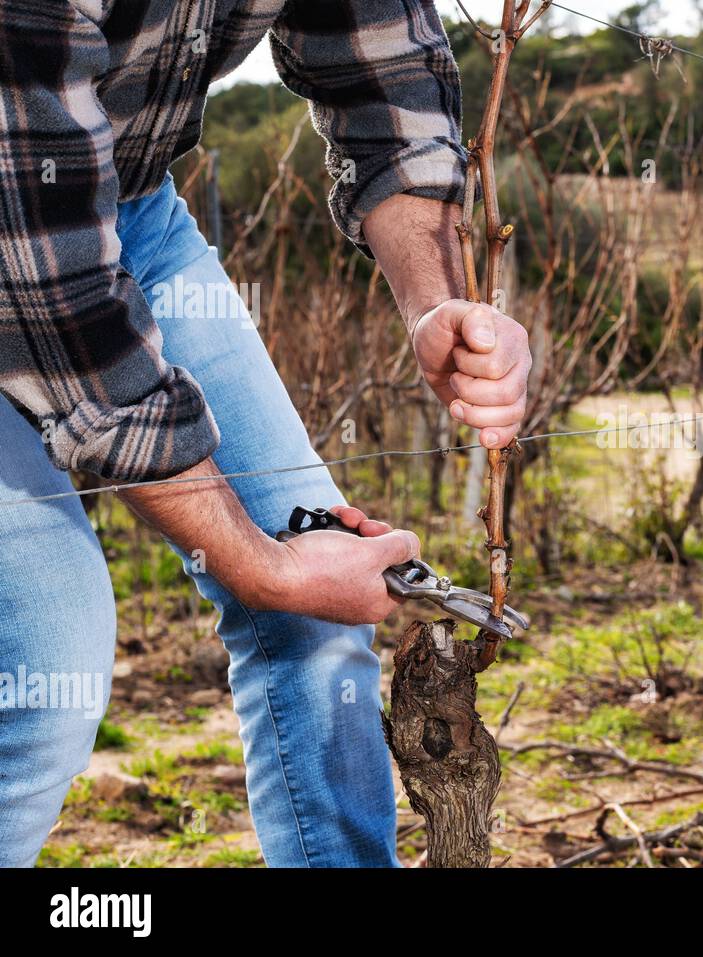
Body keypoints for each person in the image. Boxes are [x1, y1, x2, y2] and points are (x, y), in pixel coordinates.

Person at [0, 1, 529, 867]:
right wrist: (263, 565)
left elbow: (385, 82)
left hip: (129, 206)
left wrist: (439, 300)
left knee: (323, 610)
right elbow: (50, 289)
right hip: (22, 222)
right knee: (41, 675)